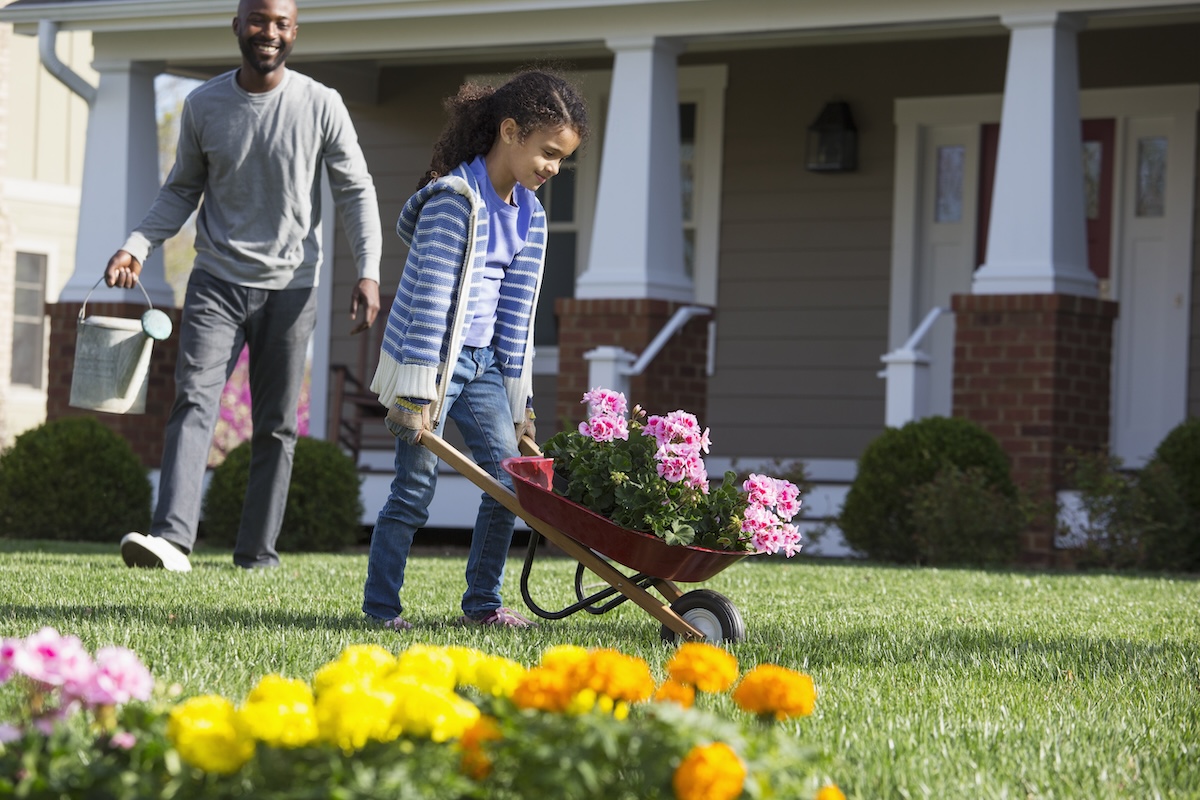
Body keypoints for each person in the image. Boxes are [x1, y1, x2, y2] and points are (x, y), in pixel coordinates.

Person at [109, 0, 383, 572]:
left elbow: (355, 190)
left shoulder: (320, 104)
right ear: (237, 24)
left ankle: (257, 553)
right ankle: (172, 541)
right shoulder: (204, 105)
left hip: (293, 286)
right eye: (259, 19)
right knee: (193, 400)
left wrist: (368, 268)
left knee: (277, 425)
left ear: (295, 32)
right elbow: (181, 189)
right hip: (216, 280)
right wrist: (137, 244)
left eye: (281, 23)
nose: (269, 32)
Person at [362, 69, 588, 629]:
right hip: (432, 366)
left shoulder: (531, 217)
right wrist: (415, 394)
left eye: (562, 159)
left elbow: (517, 318)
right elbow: (427, 305)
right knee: (413, 491)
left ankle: (482, 606)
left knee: (509, 484)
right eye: (548, 153)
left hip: (484, 364)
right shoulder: (453, 204)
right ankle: (381, 609)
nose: (553, 168)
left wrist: (519, 404)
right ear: (510, 131)